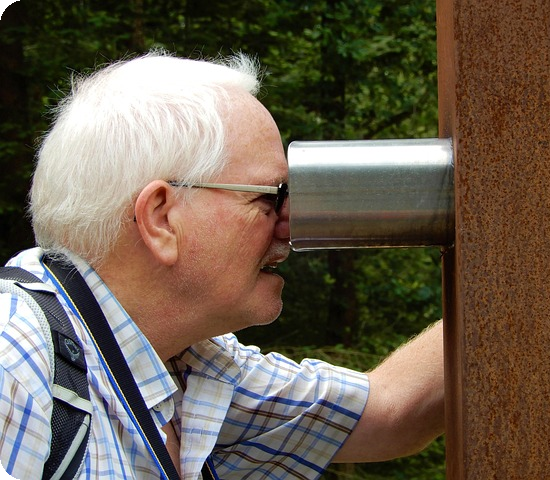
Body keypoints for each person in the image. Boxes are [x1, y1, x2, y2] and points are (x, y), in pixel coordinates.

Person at [0, 51, 444, 479]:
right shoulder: (16, 362)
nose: (290, 226)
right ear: (161, 218)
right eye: (270, 197)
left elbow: (392, 412)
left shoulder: (190, 365)